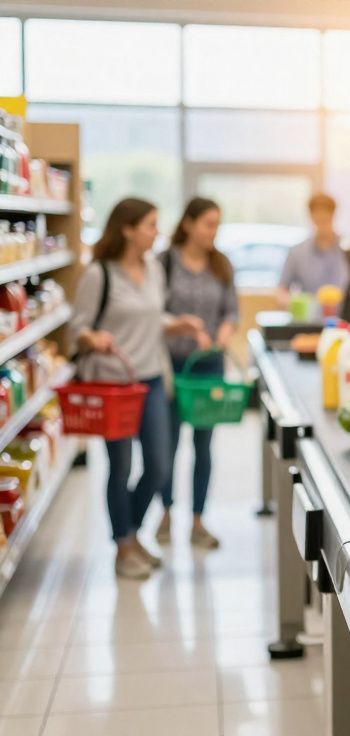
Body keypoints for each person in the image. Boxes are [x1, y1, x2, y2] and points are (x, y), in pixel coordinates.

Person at [69, 197, 209, 580]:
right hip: (114, 384)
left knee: (160, 464)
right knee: (121, 466)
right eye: (150, 225)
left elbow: (151, 318)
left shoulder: (152, 269)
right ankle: (124, 545)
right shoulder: (100, 274)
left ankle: (129, 533)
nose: (156, 232)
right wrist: (91, 338)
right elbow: (76, 328)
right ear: (127, 229)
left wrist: (176, 323)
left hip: (151, 378)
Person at [156, 197, 238, 549]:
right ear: (188, 223)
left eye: (217, 225)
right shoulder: (164, 263)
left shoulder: (221, 265)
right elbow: (152, 313)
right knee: (167, 444)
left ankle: (198, 521)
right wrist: (182, 328)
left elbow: (231, 312)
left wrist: (221, 335)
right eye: (207, 223)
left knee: (203, 446)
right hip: (172, 367)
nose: (212, 232)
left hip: (209, 366)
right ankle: (165, 514)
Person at [275, 193, 350, 308]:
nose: (322, 225)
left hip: (346, 318)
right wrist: (295, 303)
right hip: (310, 320)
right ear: (311, 217)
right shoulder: (297, 252)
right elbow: (281, 290)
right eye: (318, 220)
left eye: (326, 220)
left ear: (333, 215)